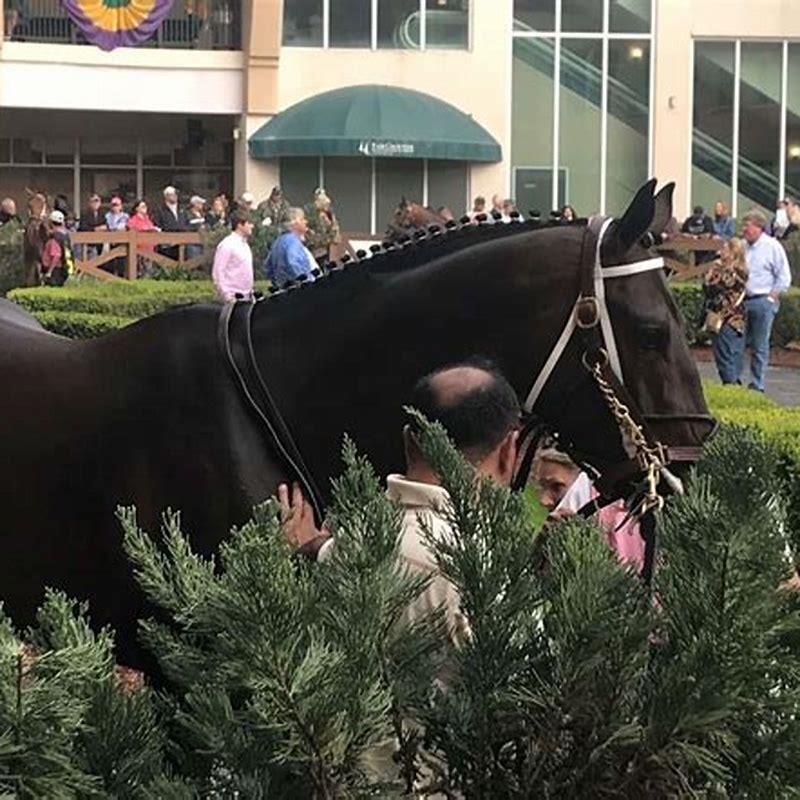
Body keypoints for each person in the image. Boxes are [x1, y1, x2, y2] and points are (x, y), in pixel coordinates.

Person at [281, 361, 522, 648]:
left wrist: (303, 552)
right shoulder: (487, 574)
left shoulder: (346, 545)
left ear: (409, 440)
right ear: (509, 450)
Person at [531, 444, 645, 572]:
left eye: (557, 487)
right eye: (541, 487)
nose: (543, 500)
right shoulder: (548, 536)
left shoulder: (622, 527)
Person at [734, 209, 793, 392]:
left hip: (762, 300)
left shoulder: (772, 247)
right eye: (744, 225)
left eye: (748, 225)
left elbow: (784, 276)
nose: (744, 229)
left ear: (759, 227)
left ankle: (757, 383)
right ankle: (734, 381)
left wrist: (771, 298)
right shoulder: (741, 246)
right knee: (737, 344)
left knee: (759, 345)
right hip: (742, 301)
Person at [704, 237, 749, 385]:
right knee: (733, 353)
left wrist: (713, 269)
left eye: (724, 249)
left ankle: (730, 385)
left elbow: (711, 287)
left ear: (731, 253)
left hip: (724, 318)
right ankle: (734, 383)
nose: (720, 252)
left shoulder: (731, 272)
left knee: (724, 355)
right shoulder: (743, 271)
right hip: (737, 318)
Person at [263, 207, 319, 289]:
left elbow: (268, 267)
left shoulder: (278, 242)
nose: (306, 222)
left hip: (284, 289)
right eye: (302, 219)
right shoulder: (292, 242)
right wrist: (306, 282)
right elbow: (293, 263)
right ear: (294, 223)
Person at [212, 209, 254, 301]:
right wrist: (226, 295)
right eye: (249, 223)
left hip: (246, 296)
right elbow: (218, 272)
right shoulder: (227, 244)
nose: (252, 226)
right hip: (232, 297)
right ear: (240, 225)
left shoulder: (245, 245)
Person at [152, 186, 187, 263]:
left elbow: (186, 222)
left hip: (182, 241)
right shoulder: (160, 210)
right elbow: (157, 225)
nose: (175, 196)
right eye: (173, 194)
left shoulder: (182, 209)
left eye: (176, 194)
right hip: (167, 243)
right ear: (166, 196)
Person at [40, 210, 73, 287]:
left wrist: (49, 272)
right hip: (65, 268)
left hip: (56, 271)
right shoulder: (66, 235)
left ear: (51, 222)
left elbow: (56, 256)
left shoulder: (55, 237)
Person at [104, 196, 129, 276]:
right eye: (113, 205)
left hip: (121, 241)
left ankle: (121, 277)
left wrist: (115, 228)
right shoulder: (107, 216)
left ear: (121, 206)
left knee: (121, 261)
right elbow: (108, 227)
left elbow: (123, 227)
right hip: (110, 241)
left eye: (117, 205)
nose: (115, 207)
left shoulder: (125, 216)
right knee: (110, 261)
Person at [185, 195, 208, 261]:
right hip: (192, 242)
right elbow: (187, 227)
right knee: (193, 260)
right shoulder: (187, 214)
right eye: (200, 203)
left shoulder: (202, 214)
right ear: (195, 204)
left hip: (202, 242)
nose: (202, 205)